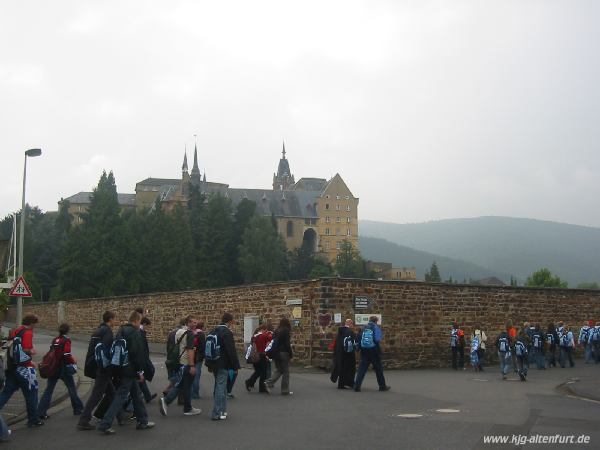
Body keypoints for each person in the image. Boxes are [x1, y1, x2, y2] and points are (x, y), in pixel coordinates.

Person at [97, 311, 154, 434]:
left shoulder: (121, 330)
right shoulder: (134, 333)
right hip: (130, 370)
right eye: (139, 321)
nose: (140, 324)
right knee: (121, 396)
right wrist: (140, 371)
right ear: (135, 321)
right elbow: (136, 355)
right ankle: (105, 423)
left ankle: (142, 421)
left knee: (136, 395)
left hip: (121, 367)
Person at [0, 314, 44, 428]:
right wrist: (32, 352)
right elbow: (25, 349)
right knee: (32, 394)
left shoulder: (17, 330)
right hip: (24, 369)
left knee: (6, 393)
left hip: (12, 367)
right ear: (32, 323)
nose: (35, 326)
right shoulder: (28, 333)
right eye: (35, 324)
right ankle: (33, 420)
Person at [78, 311, 118, 430]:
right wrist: (108, 368)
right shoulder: (107, 332)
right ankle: (84, 420)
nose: (116, 321)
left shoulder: (98, 330)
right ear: (110, 319)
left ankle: (120, 416)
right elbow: (104, 353)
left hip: (96, 367)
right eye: (115, 319)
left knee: (112, 393)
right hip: (102, 369)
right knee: (96, 395)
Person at [37, 323, 84, 419]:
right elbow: (66, 355)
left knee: (48, 390)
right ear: (67, 330)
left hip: (53, 367)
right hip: (63, 368)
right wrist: (73, 361)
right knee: (71, 388)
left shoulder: (55, 340)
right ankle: (78, 408)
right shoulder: (66, 340)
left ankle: (41, 412)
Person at [159, 315, 200, 416]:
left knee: (185, 385)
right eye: (193, 322)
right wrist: (192, 365)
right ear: (187, 323)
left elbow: (169, 348)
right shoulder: (189, 334)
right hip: (185, 363)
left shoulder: (173, 332)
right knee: (182, 385)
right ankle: (167, 401)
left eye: (196, 322)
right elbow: (190, 350)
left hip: (176, 362)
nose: (195, 324)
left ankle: (187, 407)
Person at [206, 312, 240, 420]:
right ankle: (216, 413)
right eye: (232, 321)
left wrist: (209, 364)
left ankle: (223, 411)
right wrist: (235, 366)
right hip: (223, 363)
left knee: (222, 386)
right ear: (229, 321)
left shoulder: (213, 331)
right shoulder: (226, 332)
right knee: (221, 387)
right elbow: (231, 351)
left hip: (214, 362)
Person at [353, 316, 390, 392]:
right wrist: (380, 350)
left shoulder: (363, 328)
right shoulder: (376, 328)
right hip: (374, 351)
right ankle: (382, 386)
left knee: (361, 369)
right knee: (378, 369)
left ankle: (357, 386)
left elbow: (358, 338)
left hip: (364, 351)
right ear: (376, 321)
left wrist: (358, 349)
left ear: (369, 320)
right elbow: (377, 340)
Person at [265, 318, 295, 395]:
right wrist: (291, 355)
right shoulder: (286, 331)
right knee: (285, 372)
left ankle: (268, 383)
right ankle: (285, 390)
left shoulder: (276, 330)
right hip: (284, 353)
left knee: (279, 370)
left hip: (276, 353)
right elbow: (287, 345)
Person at [331, 319, 357, 389]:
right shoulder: (350, 332)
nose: (353, 326)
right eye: (352, 324)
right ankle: (350, 383)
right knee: (350, 369)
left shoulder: (340, 332)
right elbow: (353, 343)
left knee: (342, 368)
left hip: (340, 353)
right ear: (350, 324)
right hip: (348, 353)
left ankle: (341, 384)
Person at [245, 324, 271, 393]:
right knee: (263, 372)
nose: (266, 331)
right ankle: (261, 387)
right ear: (263, 329)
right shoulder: (263, 335)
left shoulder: (254, 336)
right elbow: (271, 338)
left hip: (254, 356)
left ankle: (250, 382)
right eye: (265, 330)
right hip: (261, 355)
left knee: (258, 371)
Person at [138, 317, 157, 404]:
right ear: (144, 324)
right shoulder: (140, 332)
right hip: (142, 359)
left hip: (143, 358)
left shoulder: (141, 332)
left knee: (141, 379)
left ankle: (147, 396)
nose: (148, 328)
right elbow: (141, 348)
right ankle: (131, 405)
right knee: (139, 379)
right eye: (148, 326)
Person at [192, 322, 206, 399]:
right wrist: (203, 356)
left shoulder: (192, 333)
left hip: (191, 356)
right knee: (197, 375)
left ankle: (190, 392)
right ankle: (195, 393)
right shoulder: (201, 334)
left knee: (191, 375)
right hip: (198, 357)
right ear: (202, 327)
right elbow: (203, 346)